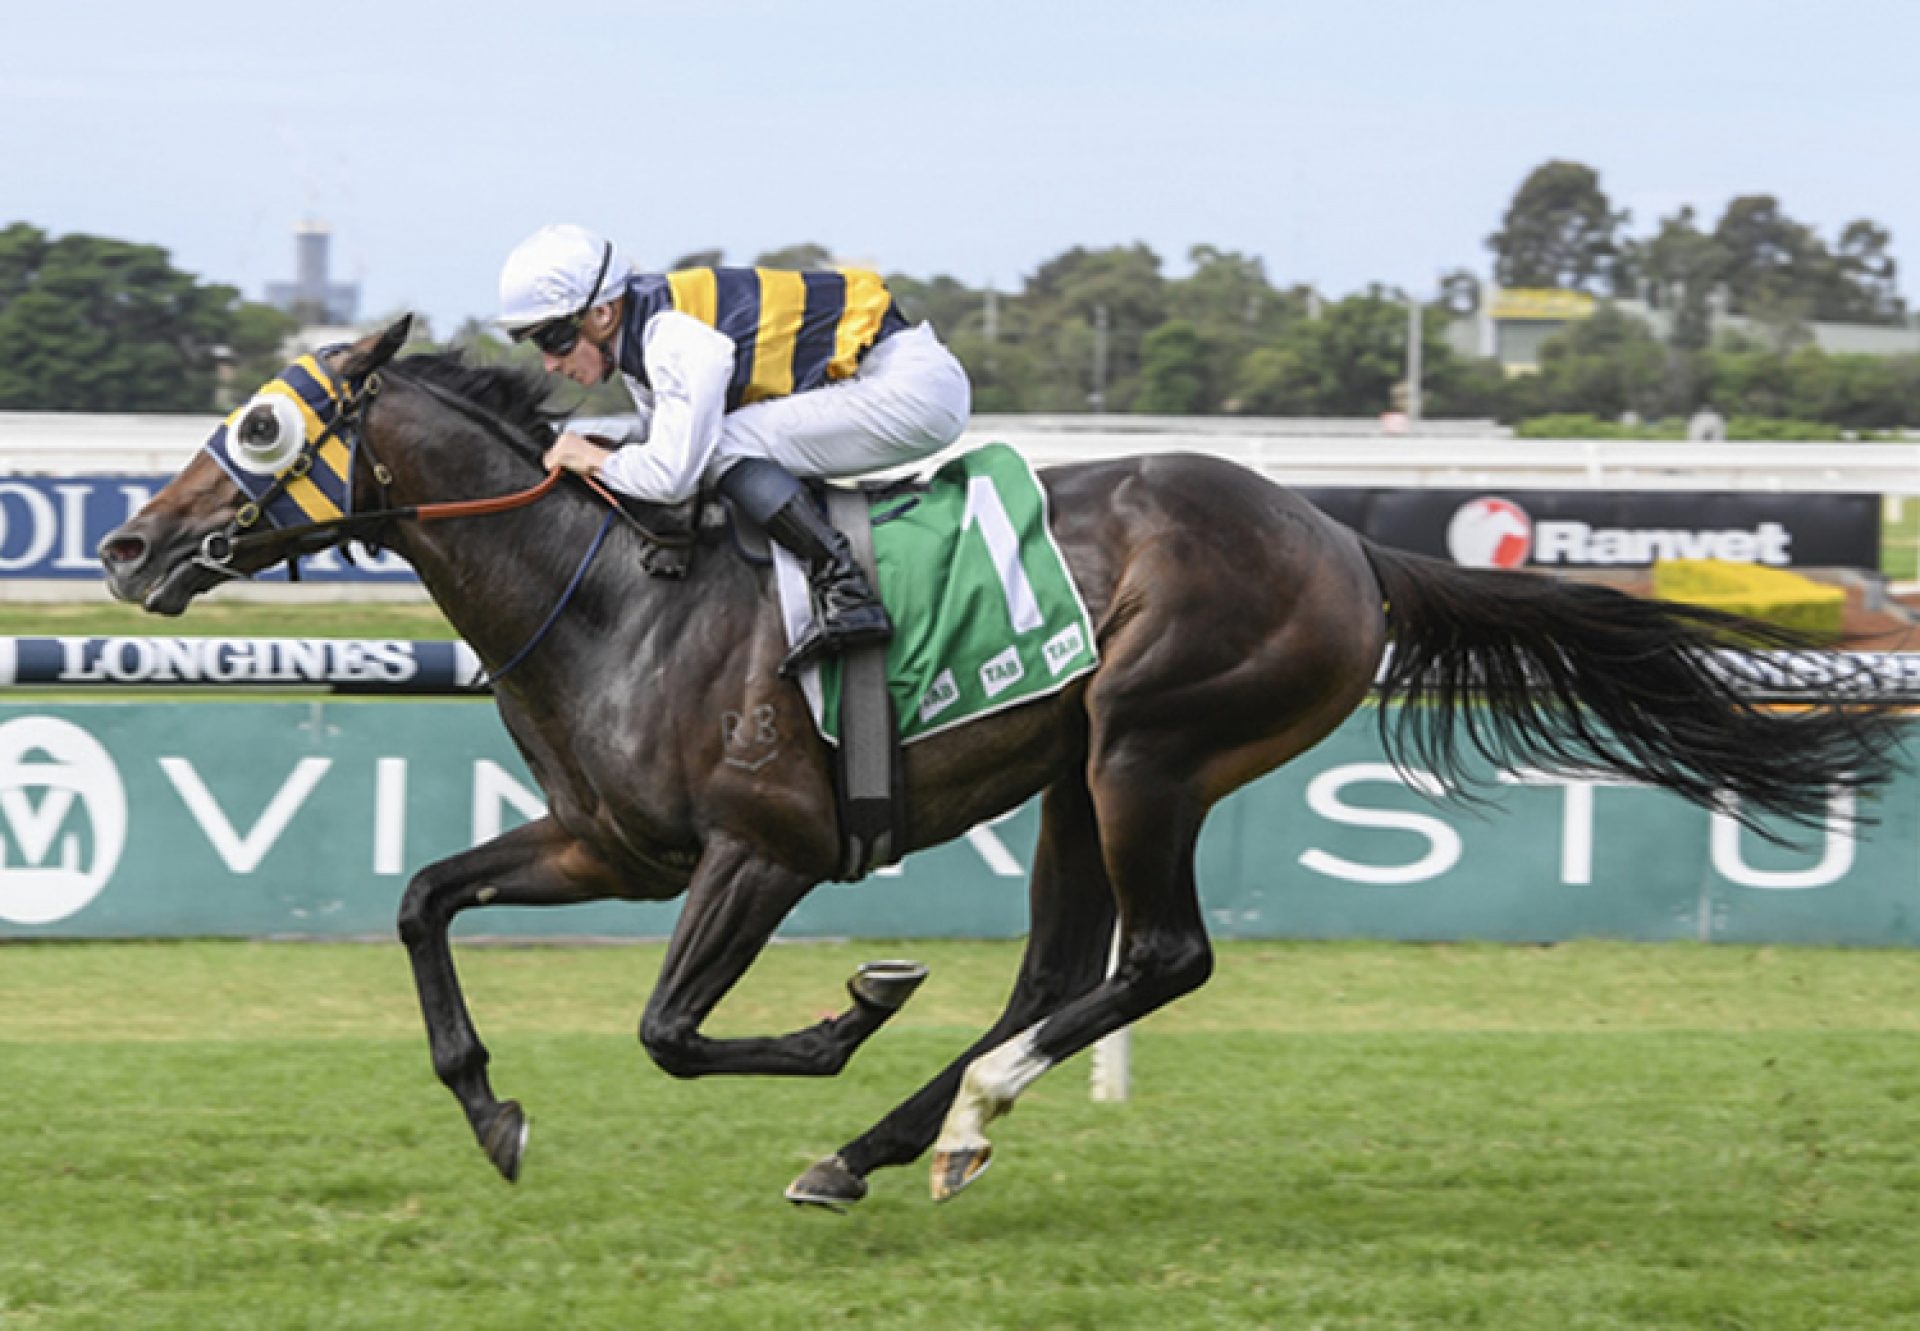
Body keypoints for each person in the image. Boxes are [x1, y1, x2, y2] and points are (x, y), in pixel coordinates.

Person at [494, 224, 972, 673]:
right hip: (883, 378)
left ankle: (844, 587)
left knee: (722, 443)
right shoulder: (642, 338)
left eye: (553, 340)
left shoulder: (672, 338)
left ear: (602, 313)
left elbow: (671, 475)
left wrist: (595, 458)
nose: (551, 364)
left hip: (910, 386)